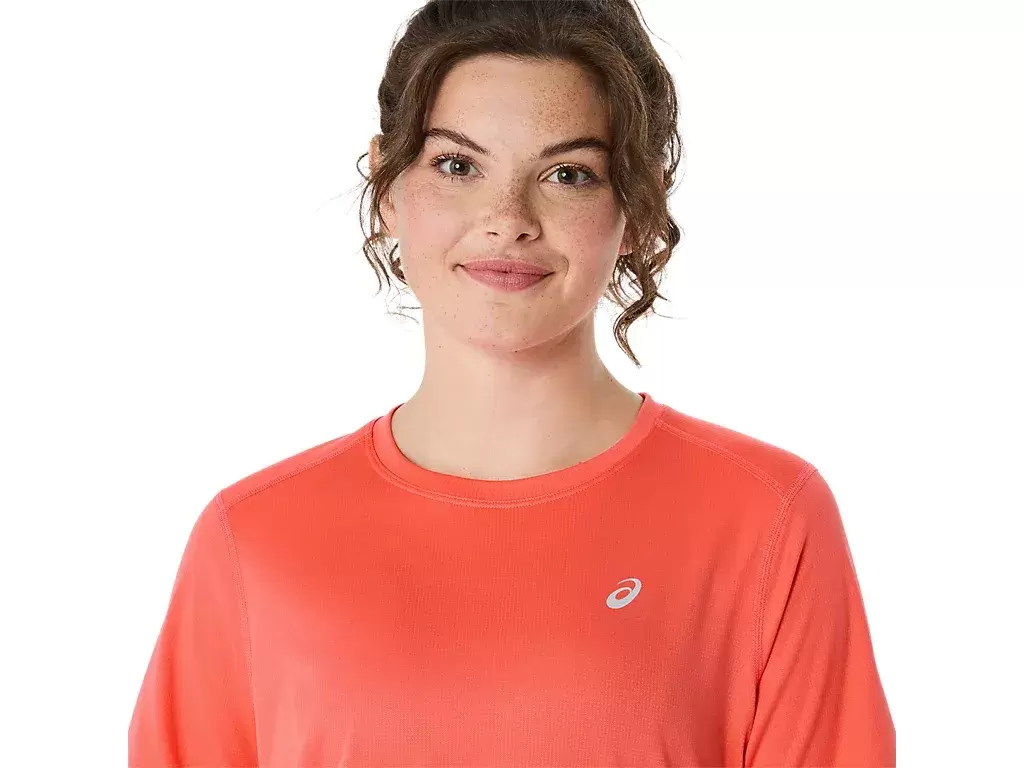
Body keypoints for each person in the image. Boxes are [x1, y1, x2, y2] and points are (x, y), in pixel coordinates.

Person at [128, 1, 896, 765]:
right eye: (458, 165)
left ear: (636, 205)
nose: (507, 219)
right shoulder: (254, 541)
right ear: (389, 186)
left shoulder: (764, 521)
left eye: (568, 174)